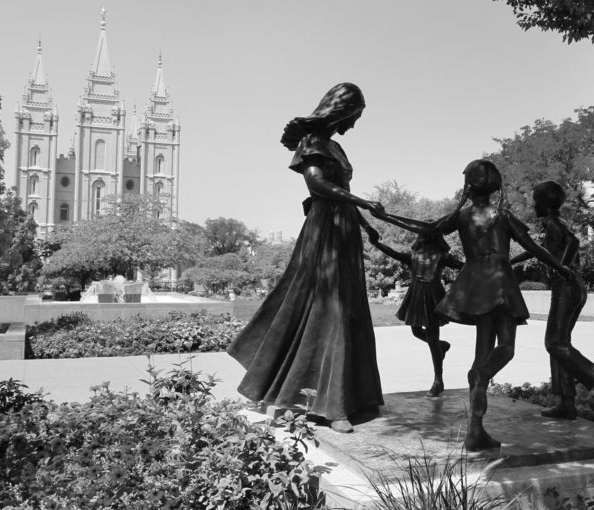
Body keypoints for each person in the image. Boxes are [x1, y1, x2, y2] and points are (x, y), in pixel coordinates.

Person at [375, 159, 573, 451]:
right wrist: (560, 266)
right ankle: (481, 379)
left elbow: (427, 228)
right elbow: (532, 247)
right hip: (500, 283)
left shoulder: (464, 216)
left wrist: (386, 216)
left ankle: (475, 430)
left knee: (482, 353)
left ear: (469, 186)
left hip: (476, 284)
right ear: (495, 187)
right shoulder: (502, 215)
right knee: (505, 348)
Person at [227, 83, 385, 434]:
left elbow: (339, 194)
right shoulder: (313, 143)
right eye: (355, 116)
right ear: (342, 111)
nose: (355, 124)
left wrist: (365, 224)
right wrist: (364, 203)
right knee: (327, 308)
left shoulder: (336, 147)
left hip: (344, 230)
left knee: (346, 309)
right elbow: (317, 187)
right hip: (325, 232)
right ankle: (330, 405)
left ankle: (343, 396)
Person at [510, 182, 594, 419]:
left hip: (566, 287)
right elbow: (536, 250)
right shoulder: (553, 224)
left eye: (535, 200)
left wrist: (562, 267)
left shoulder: (552, 222)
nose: (533, 205)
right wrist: (509, 261)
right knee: (561, 345)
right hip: (572, 286)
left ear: (544, 202)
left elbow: (573, 241)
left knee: (554, 344)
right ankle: (566, 403)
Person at [364, 225, 463, 397]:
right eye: (421, 234)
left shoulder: (442, 256)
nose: (423, 238)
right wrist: (377, 244)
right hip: (416, 295)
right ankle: (441, 347)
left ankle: (438, 380)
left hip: (433, 296)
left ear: (434, 237)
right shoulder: (413, 256)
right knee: (416, 331)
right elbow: (394, 254)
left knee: (432, 338)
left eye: (427, 234)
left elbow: (463, 267)